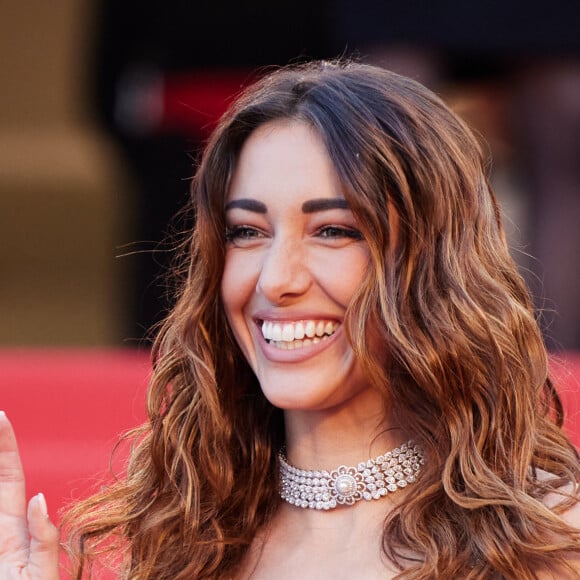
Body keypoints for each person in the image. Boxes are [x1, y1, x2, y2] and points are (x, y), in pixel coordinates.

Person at [1, 60, 580, 579]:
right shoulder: (184, 545)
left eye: (333, 230)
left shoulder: (547, 540)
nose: (276, 279)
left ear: (431, 263)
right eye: (247, 232)